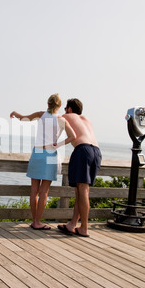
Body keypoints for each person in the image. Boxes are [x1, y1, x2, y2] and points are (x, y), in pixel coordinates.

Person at [10, 94, 76, 230]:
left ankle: (35, 221)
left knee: (34, 190)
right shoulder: (61, 120)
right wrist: (58, 144)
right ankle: (37, 222)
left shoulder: (41, 115)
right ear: (58, 106)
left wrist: (15, 113)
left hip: (37, 152)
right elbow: (72, 136)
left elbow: (23, 118)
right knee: (44, 191)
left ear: (48, 104)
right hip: (50, 153)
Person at [57, 98, 102, 237]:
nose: (64, 111)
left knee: (83, 190)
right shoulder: (87, 119)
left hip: (83, 150)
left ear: (69, 109)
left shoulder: (66, 116)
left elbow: (54, 130)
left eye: (65, 108)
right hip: (96, 152)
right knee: (80, 190)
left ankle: (84, 228)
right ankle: (72, 224)